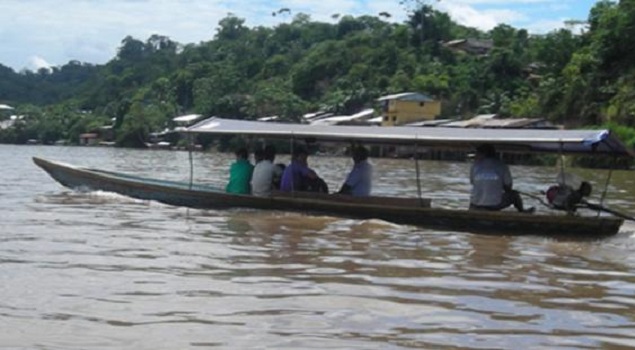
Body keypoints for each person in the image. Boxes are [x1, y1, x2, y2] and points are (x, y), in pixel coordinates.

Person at [469, 144, 533, 213]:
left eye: (477, 153)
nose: (476, 155)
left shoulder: (474, 166)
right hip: (494, 205)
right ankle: (522, 211)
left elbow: (473, 182)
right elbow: (508, 186)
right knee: (514, 195)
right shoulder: (501, 165)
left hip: (475, 204)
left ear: (483, 154)